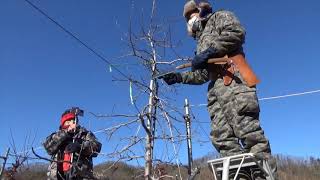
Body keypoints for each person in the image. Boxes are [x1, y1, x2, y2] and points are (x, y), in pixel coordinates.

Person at [160, 0, 277, 179]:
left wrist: (210, 52)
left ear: (200, 12)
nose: (190, 22)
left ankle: (265, 176)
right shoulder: (200, 41)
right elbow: (202, 75)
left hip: (235, 80)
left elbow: (236, 32)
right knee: (222, 138)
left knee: (249, 132)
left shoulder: (219, 17)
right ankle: (240, 175)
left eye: (192, 16)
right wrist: (179, 77)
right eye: (188, 20)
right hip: (215, 91)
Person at [43, 108, 102, 180]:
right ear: (63, 123)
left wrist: (80, 146)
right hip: (57, 176)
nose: (72, 122)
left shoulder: (85, 134)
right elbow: (48, 148)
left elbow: (97, 148)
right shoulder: (56, 135)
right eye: (68, 121)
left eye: (73, 120)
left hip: (81, 175)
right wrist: (65, 133)